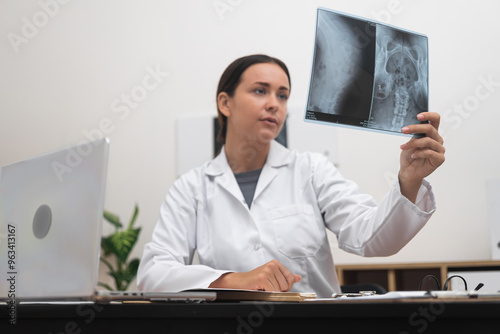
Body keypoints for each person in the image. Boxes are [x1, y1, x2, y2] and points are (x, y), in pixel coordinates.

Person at [137, 54, 445, 297]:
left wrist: (409, 180)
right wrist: (233, 280)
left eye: (282, 95)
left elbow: (372, 239)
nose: (274, 104)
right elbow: (153, 274)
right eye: (260, 91)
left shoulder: (311, 170)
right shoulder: (191, 188)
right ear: (225, 103)